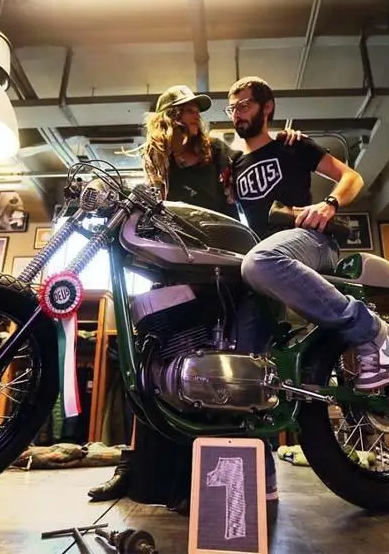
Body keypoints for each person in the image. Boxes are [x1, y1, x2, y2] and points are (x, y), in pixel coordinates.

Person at [87, 84, 303, 504]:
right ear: (168, 118)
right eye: (186, 110)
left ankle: (213, 477)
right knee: (149, 365)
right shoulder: (159, 165)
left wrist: (284, 141)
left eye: (196, 111)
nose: (195, 117)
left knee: (217, 367)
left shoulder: (217, 152)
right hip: (172, 269)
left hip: (219, 268)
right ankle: (137, 468)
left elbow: (255, 159)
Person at [224, 76, 389, 390]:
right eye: (232, 108)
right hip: (264, 264)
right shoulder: (234, 166)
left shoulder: (292, 145)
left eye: (245, 105)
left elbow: (352, 177)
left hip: (312, 240)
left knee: (259, 260)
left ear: (267, 107)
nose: (237, 113)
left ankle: (371, 331)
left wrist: (329, 204)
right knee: (241, 370)